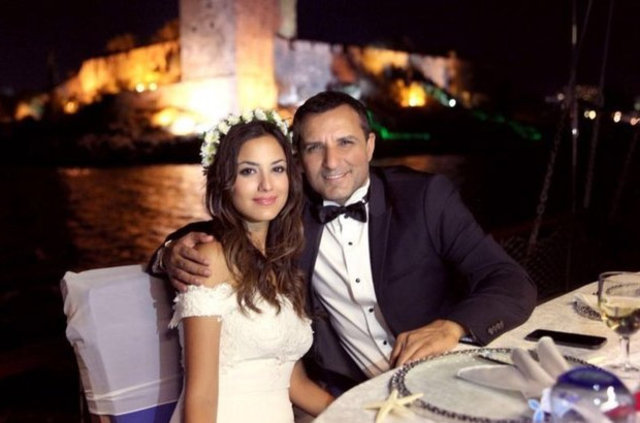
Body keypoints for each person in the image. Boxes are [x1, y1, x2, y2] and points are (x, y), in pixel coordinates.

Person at [150, 91, 537, 393]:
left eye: (345, 143)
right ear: (298, 159)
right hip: (349, 393)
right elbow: (224, 224)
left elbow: (510, 281)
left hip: (443, 376)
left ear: (370, 146)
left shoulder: (425, 198)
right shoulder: (285, 212)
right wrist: (168, 253)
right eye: (315, 147)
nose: (332, 162)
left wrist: (450, 327)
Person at [164, 110, 333, 423]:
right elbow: (201, 395)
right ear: (225, 182)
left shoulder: (280, 264)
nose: (266, 185)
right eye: (248, 171)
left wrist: (366, 413)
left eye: (277, 169)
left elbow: (294, 383)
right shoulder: (211, 260)